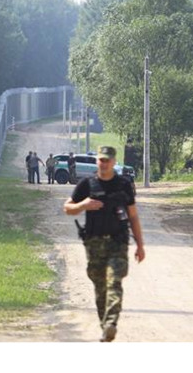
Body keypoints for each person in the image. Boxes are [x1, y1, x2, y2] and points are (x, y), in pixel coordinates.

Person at [63, 146, 145, 342]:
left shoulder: (123, 185)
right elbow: (67, 208)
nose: (104, 163)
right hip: (94, 244)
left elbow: (133, 216)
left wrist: (140, 245)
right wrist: (83, 205)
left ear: (114, 162)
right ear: (97, 161)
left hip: (118, 242)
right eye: (101, 160)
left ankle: (111, 323)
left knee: (114, 281)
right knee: (100, 288)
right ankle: (105, 327)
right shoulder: (87, 184)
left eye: (108, 160)